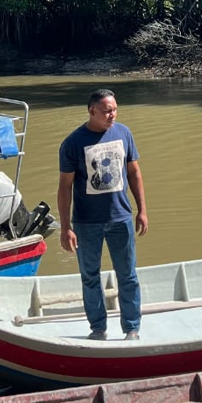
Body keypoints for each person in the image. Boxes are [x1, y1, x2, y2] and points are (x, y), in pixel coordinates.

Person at [57, 89, 148, 340]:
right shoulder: (73, 143)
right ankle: (98, 328)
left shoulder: (124, 133)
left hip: (120, 217)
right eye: (107, 110)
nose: (112, 115)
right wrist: (66, 227)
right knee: (89, 277)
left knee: (127, 275)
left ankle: (131, 327)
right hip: (86, 222)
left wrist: (142, 210)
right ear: (92, 111)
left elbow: (134, 173)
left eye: (115, 109)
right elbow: (65, 187)